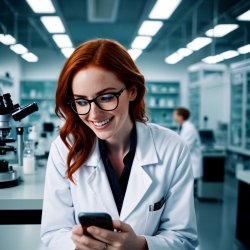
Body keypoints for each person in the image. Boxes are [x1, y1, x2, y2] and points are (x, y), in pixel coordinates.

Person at [41, 39, 198, 250]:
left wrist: (141, 246)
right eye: (81, 101)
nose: (94, 114)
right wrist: (77, 246)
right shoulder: (65, 149)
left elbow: (184, 238)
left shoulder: (172, 148)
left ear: (132, 90)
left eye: (105, 97)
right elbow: (52, 233)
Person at [173, 107, 202, 179]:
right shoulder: (183, 127)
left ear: (181, 117)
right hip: (188, 164)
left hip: (192, 164)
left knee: (191, 188)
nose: (174, 117)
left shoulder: (189, 128)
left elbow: (186, 148)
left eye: (175, 115)